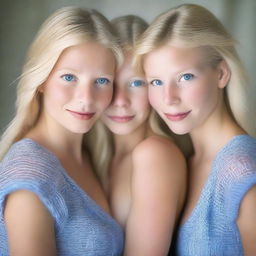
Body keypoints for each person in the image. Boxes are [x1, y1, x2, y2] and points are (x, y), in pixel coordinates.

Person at [0, 6, 124, 256]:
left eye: (101, 81)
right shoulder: (30, 176)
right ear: (42, 80)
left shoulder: (93, 155)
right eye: (69, 77)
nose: (86, 98)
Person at [135, 3, 256, 256]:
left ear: (221, 73)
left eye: (185, 77)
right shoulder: (183, 158)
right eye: (156, 81)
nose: (169, 98)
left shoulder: (243, 171)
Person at [89, 15, 186, 256]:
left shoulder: (155, 154)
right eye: (107, 82)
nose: (120, 101)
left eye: (136, 84)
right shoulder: (95, 156)